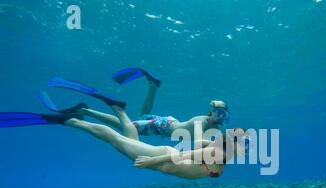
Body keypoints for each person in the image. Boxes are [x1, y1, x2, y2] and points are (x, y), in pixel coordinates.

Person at [0, 76, 247, 180]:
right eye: (241, 147)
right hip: (158, 158)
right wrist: (149, 163)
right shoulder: (215, 152)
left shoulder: (219, 153)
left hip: (161, 154)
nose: (243, 152)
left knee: (126, 136)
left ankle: (113, 109)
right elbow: (181, 155)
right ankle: (73, 120)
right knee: (117, 139)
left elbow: (196, 147)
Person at [42, 68, 230, 138]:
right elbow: (198, 140)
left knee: (139, 116)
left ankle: (153, 87)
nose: (220, 117)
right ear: (210, 112)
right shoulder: (202, 121)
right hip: (162, 127)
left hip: (168, 123)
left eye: (223, 115)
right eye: (218, 113)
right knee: (126, 127)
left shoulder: (214, 127)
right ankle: (86, 110)